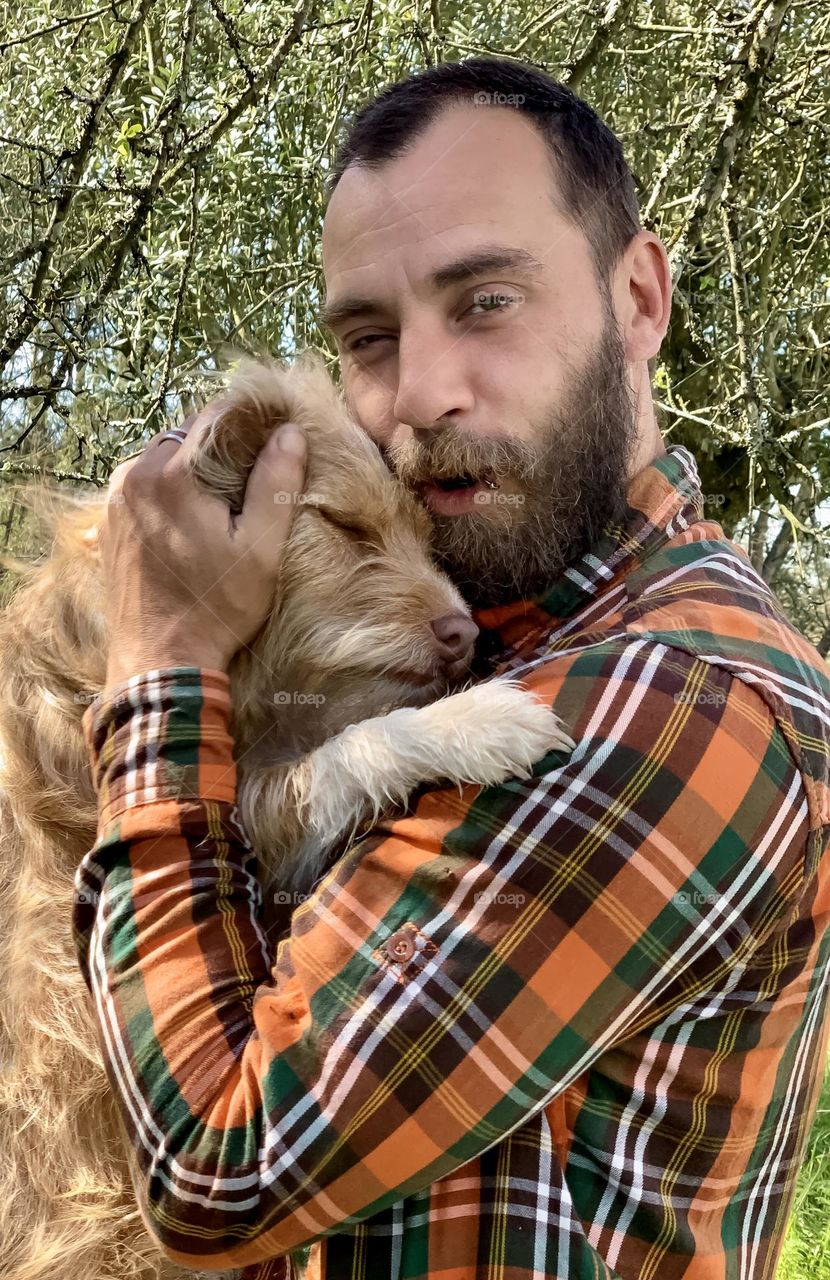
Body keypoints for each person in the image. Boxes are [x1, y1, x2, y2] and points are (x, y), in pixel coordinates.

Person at [71, 57, 830, 1280]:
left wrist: (159, 667)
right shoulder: (507, 637)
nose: (417, 393)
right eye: (367, 334)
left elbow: (218, 1170)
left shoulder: (659, 701)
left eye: (484, 300)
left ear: (637, 298)